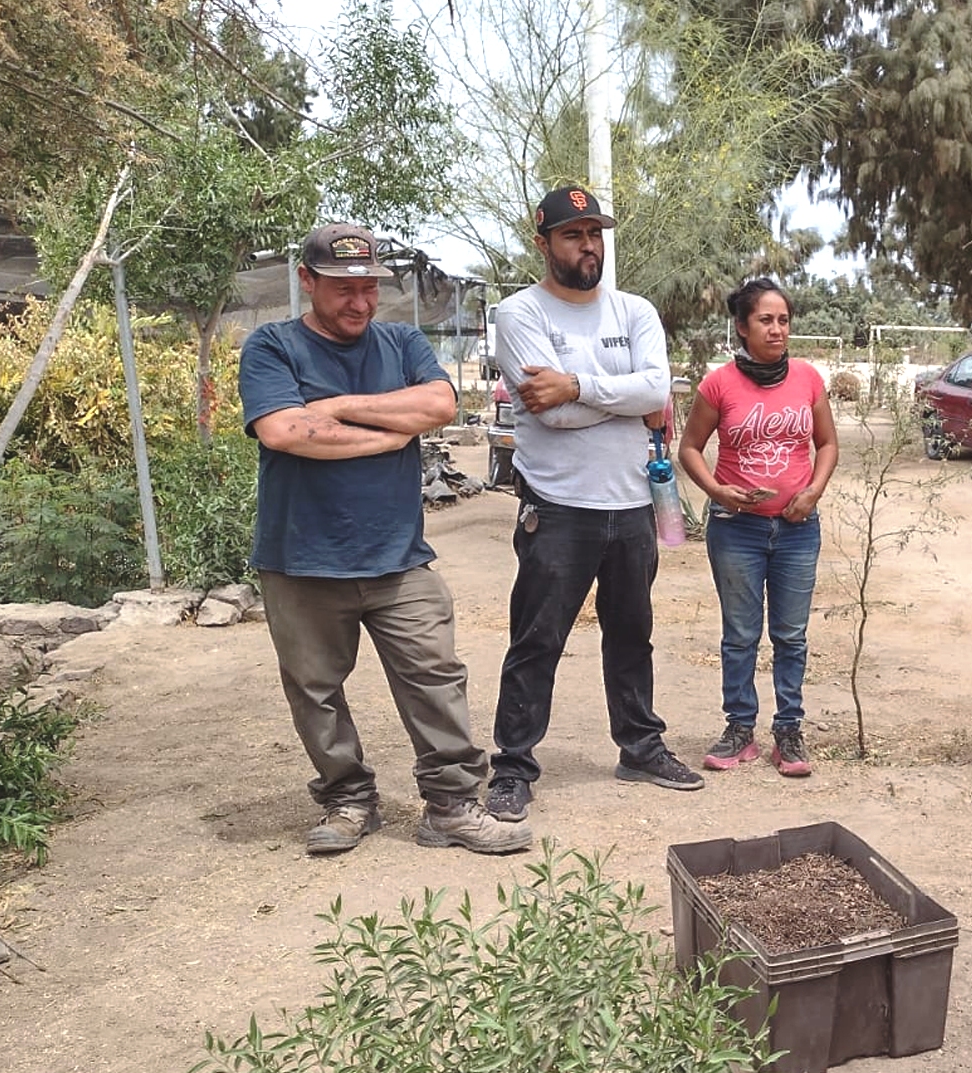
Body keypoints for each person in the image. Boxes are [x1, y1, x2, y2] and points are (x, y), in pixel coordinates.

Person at [240, 223, 532, 857]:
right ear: (308, 281)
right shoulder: (272, 346)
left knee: (435, 676)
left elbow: (437, 406)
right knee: (315, 689)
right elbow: (285, 431)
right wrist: (385, 434)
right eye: (344, 288)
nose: (361, 302)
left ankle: (451, 806)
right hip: (301, 559)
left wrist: (340, 406)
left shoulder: (401, 341)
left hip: (398, 557)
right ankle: (348, 800)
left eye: (370, 286)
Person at [484, 184, 702, 823]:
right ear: (544, 242)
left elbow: (656, 392)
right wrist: (620, 399)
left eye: (595, 233)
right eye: (574, 234)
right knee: (538, 638)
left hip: (633, 502)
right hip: (557, 506)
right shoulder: (520, 315)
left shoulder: (634, 311)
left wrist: (577, 386)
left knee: (633, 634)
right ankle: (513, 768)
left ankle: (640, 747)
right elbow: (546, 418)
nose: (588, 245)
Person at [677, 279, 839, 777]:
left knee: (791, 635)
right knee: (741, 634)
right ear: (742, 327)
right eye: (765, 320)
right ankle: (740, 729)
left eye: (783, 320)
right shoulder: (718, 384)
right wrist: (716, 491)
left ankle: (788, 731)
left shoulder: (808, 379)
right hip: (736, 528)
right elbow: (688, 448)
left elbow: (828, 445)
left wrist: (812, 493)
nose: (776, 329)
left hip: (796, 528)